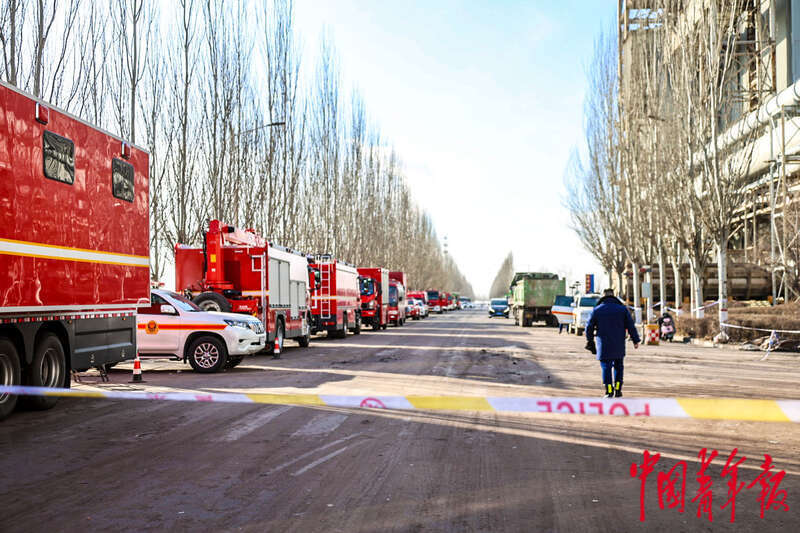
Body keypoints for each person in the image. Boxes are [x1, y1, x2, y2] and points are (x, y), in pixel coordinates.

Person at [585, 288, 640, 398]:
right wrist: (635, 340)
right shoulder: (622, 309)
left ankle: (609, 391)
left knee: (606, 367)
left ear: (603, 296)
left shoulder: (597, 310)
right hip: (619, 344)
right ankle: (618, 390)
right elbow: (630, 325)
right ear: (614, 296)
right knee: (619, 367)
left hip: (603, 344)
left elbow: (589, 327)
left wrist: (590, 340)